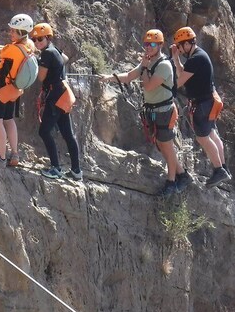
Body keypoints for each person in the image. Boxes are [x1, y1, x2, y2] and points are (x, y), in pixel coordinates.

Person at [100, 29, 193, 197]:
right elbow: (129, 76)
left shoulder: (163, 65)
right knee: (162, 144)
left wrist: (143, 68)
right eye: (146, 44)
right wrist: (109, 77)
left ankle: (171, 182)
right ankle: (182, 174)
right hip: (154, 110)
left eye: (152, 44)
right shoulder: (148, 61)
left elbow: (148, 86)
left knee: (167, 145)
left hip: (164, 111)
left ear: (160, 45)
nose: (148, 47)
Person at [170, 27, 231, 188]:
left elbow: (179, 82)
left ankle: (219, 170)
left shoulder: (195, 59)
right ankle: (223, 167)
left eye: (180, 46)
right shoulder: (199, 55)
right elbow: (184, 72)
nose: (180, 49)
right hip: (209, 101)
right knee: (212, 133)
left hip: (202, 105)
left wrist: (162, 86)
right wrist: (176, 59)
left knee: (202, 137)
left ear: (187, 44)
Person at [0, 13, 35, 167]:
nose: (10, 33)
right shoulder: (29, 45)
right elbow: (9, 49)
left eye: (13, 31)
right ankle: (14, 154)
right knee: (9, 120)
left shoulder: (12, 49)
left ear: (21, 33)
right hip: (14, 90)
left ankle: (1, 158)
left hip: (0, 90)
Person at [30, 23, 82, 180]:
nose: (37, 42)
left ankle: (56, 168)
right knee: (68, 134)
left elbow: (41, 77)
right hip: (64, 94)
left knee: (44, 131)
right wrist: (56, 69)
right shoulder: (55, 49)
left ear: (47, 38)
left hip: (55, 97)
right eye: (34, 40)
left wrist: (37, 61)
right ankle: (76, 171)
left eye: (40, 39)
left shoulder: (46, 54)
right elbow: (64, 59)